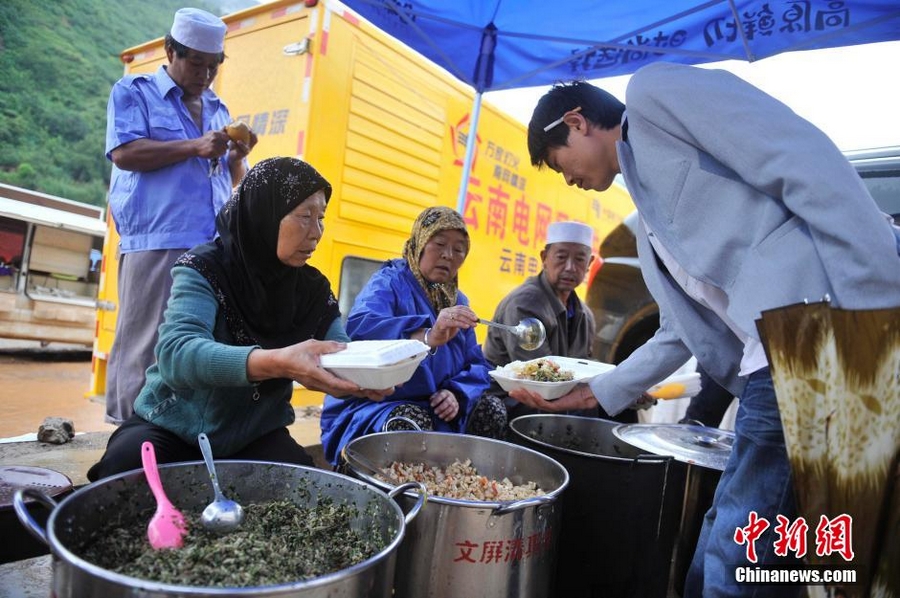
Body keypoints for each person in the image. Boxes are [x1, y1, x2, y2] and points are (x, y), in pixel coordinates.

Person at [513, 63, 900, 598]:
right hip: (777, 358)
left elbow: (797, 154)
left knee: (735, 556)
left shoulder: (654, 96)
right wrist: (596, 394)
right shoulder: (646, 219)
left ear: (576, 120)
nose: (570, 180)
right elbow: (677, 331)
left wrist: (876, 305)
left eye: (561, 165)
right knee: (756, 550)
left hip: (815, 327)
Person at [87, 158, 391, 481]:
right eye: (304, 217)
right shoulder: (205, 268)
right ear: (265, 214)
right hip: (174, 425)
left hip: (253, 435)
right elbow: (177, 353)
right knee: (122, 472)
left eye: (321, 218)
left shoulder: (312, 290)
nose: (316, 233)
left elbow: (337, 352)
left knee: (308, 489)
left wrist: (364, 377)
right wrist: (279, 362)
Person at [104, 8, 258, 425]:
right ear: (171, 51)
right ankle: (126, 433)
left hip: (210, 246)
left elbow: (229, 179)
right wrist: (193, 146)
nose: (205, 74)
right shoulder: (133, 92)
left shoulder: (217, 108)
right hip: (157, 239)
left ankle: (173, 430)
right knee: (145, 341)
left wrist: (237, 159)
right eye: (196, 63)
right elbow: (125, 154)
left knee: (191, 343)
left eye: (214, 66)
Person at [320, 206, 508, 466]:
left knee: (492, 410)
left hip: (435, 409)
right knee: (409, 420)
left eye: (459, 249)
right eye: (439, 243)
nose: (448, 255)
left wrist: (456, 393)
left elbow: (475, 363)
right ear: (419, 242)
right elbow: (361, 332)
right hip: (376, 405)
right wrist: (428, 335)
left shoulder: (457, 301)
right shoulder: (389, 283)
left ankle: (459, 489)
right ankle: (391, 500)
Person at [482, 220, 629, 422]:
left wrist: (623, 383)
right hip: (513, 403)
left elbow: (584, 365)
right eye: (561, 257)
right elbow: (541, 378)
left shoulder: (584, 314)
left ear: (589, 264)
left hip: (558, 401)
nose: (570, 267)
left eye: (579, 260)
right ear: (544, 257)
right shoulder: (524, 304)